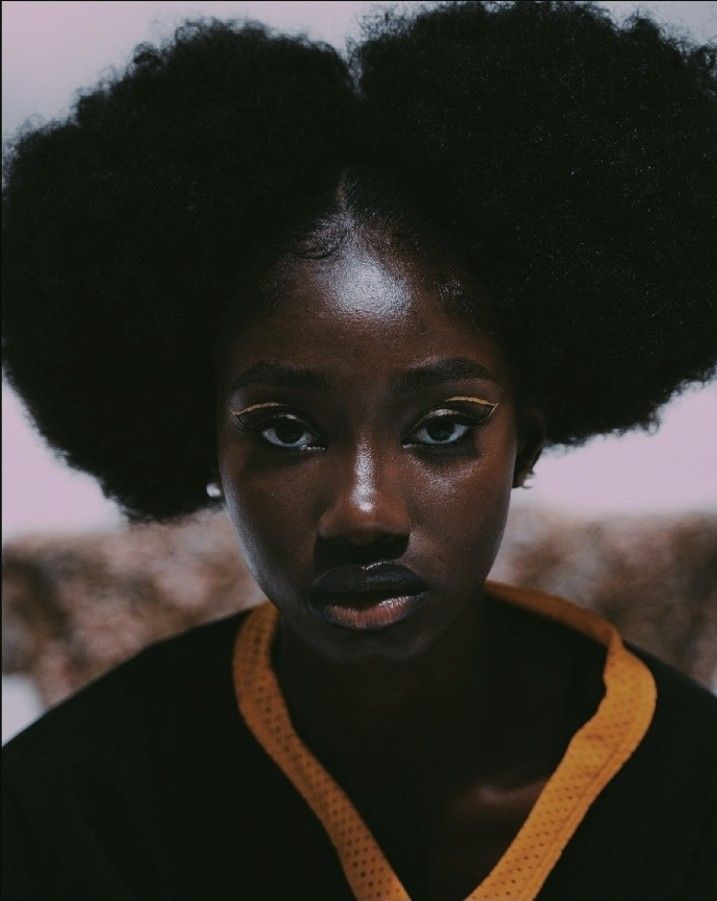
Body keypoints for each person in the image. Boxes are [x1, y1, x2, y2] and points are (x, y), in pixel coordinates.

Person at [2, 2, 716, 898]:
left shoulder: (689, 800)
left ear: (524, 442)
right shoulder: (70, 810)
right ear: (206, 450)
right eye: (285, 431)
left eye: (443, 427)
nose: (363, 512)